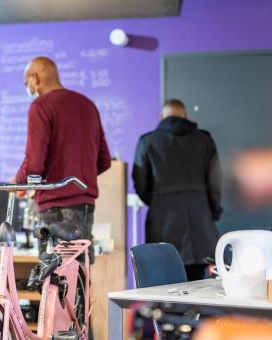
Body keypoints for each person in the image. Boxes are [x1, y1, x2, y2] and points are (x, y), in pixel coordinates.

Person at [14, 56, 112, 264]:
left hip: (52, 206)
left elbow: (34, 165)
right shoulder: (88, 105)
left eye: (26, 83)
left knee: (52, 276)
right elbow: (104, 160)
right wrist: (79, 177)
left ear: (34, 78)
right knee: (78, 271)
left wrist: (17, 182)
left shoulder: (40, 106)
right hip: (84, 205)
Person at [133, 99, 222, 281]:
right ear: (186, 116)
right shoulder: (204, 140)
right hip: (199, 220)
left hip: (162, 221)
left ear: (161, 117)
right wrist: (212, 211)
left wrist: (157, 201)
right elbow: (215, 182)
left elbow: (140, 182)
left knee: (163, 281)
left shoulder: (147, 141)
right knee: (196, 283)